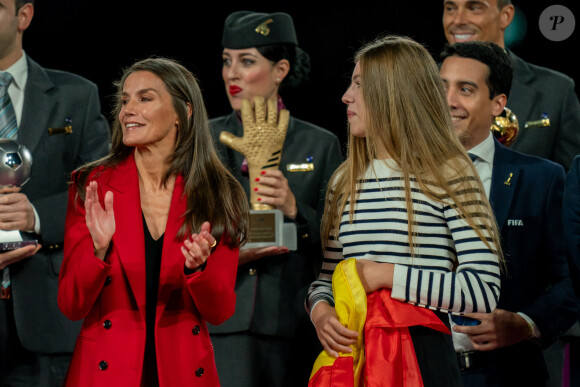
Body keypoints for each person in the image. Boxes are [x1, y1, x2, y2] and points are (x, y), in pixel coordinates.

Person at [307, 35, 502, 385]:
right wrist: (321, 312)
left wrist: (385, 275)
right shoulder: (343, 181)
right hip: (355, 357)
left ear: (393, 94)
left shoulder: (451, 172)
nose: (346, 97)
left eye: (359, 84)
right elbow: (328, 279)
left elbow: (481, 290)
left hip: (423, 359)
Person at [57, 57, 249, 386]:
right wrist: (98, 251)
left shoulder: (218, 192)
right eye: (125, 100)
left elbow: (220, 311)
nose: (127, 110)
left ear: (182, 112)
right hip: (105, 374)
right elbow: (71, 305)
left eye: (144, 98)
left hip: (184, 372)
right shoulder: (92, 185)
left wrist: (198, 269)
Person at [207, 10, 344, 387]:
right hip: (219, 320)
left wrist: (294, 209)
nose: (231, 74)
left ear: (280, 70)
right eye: (226, 61)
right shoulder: (202, 140)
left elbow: (340, 240)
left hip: (295, 321)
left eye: (246, 61)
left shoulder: (319, 143)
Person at [439, 40, 580, 386]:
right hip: (419, 371)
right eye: (441, 87)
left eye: (465, 89)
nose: (448, 101)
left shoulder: (542, 178)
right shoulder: (398, 174)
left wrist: (526, 323)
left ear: (498, 104)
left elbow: (571, 279)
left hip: (509, 373)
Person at [0, 0, 111, 385]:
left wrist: (37, 216)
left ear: (23, 16)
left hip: (48, 317)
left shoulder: (76, 97)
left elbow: (105, 193)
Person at [442, 0, 580, 171]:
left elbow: (571, 186)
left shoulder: (556, 90)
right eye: (450, 8)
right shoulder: (418, 85)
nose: (458, 20)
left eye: (474, 8)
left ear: (505, 16)